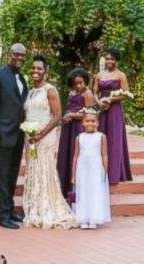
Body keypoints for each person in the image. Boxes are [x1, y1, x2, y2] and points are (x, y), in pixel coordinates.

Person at [23, 54, 77, 229]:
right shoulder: (30, 92)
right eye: (33, 68)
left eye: (39, 68)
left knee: (45, 169)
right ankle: (35, 209)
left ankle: (49, 208)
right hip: (30, 138)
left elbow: (57, 116)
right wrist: (29, 132)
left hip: (46, 137)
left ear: (46, 71)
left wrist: (41, 134)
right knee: (34, 170)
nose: (35, 71)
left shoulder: (50, 90)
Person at [0, 43, 28, 229]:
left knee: (12, 174)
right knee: (2, 176)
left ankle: (10, 209)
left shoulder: (22, 79)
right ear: (9, 55)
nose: (19, 58)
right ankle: (2, 215)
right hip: (1, 135)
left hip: (18, 135)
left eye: (22, 55)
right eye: (16, 54)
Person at [94, 47, 133, 184]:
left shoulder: (120, 75)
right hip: (102, 111)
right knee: (100, 139)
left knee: (114, 139)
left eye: (112, 59)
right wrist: (99, 103)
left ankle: (114, 173)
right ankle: (99, 171)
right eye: (107, 58)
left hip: (115, 110)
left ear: (116, 61)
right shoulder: (99, 75)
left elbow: (126, 94)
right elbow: (94, 93)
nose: (109, 61)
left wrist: (110, 99)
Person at [57, 68, 94, 198]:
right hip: (68, 128)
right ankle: (64, 187)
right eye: (75, 83)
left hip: (78, 127)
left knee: (75, 154)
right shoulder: (72, 93)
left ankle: (77, 190)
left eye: (81, 82)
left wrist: (72, 115)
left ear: (86, 81)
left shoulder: (87, 94)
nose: (78, 86)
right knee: (66, 154)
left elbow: (89, 114)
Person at [71, 108, 111, 229]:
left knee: (95, 191)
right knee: (83, 191)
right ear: (83, 123)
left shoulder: (101, 136)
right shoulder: (79, 137)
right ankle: (83, 218)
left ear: (97, 123)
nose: (90, 123)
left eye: (93, 121)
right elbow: (75, 157)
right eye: (87, 121)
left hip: (96, 168)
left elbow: (104, 154)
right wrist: (73, 175)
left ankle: (94, 217)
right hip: (82, 169)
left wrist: (105, 170)